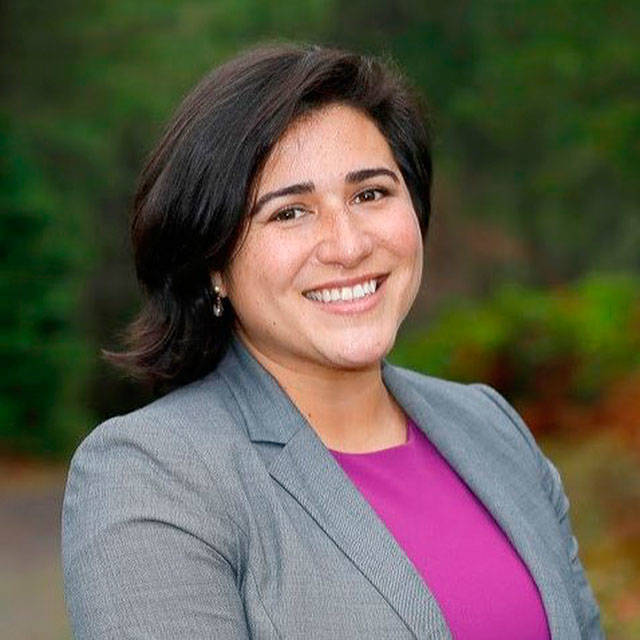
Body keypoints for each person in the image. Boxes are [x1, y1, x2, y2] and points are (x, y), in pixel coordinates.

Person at [61, 43, 603, 639]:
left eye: (370, 194)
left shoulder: (492, 427)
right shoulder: (156, 473)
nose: (348, 246)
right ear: (213, 262)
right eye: (290, 212)